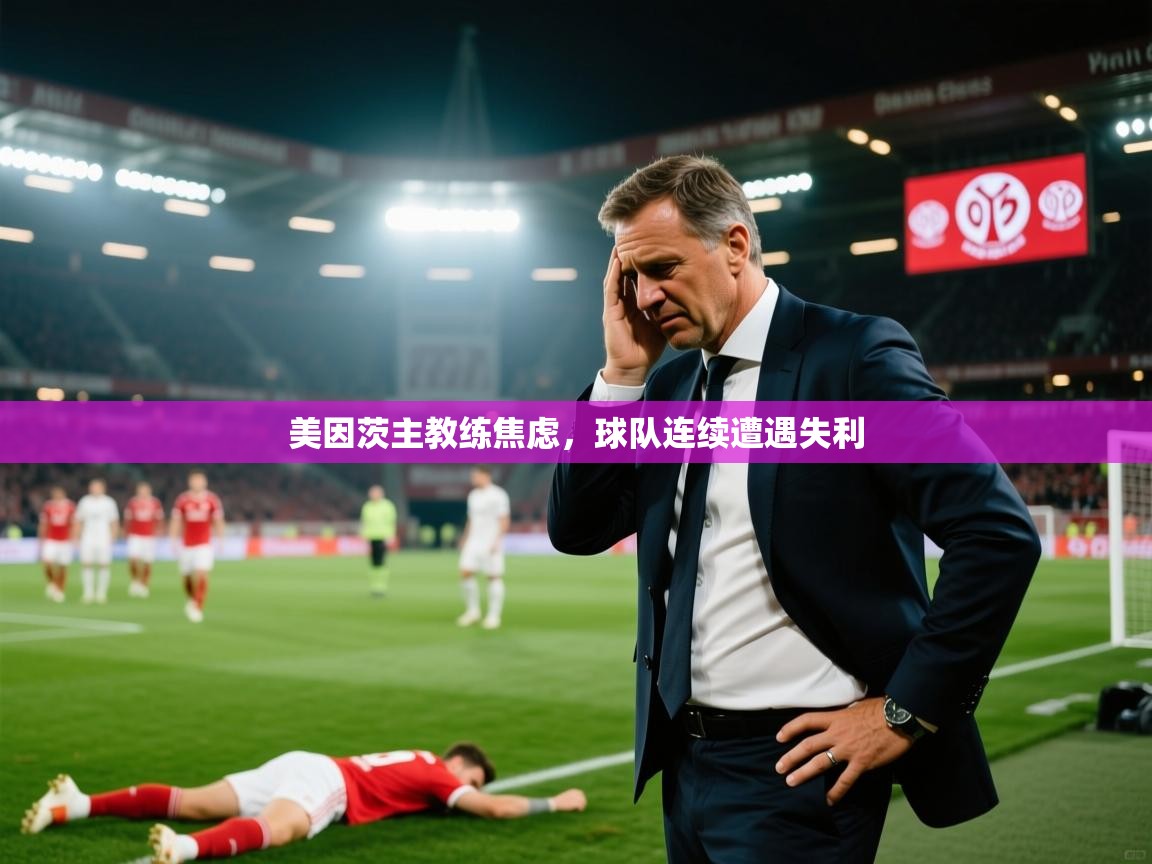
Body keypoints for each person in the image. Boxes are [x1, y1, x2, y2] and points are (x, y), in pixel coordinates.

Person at [548, 155, 1041, 863]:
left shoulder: (852, 358)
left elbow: (997, 533)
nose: (647, 297)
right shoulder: (670, 387)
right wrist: (622, 376)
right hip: (685, 765)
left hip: (797, 767)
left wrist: (904, 711)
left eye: (662, 267)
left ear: (735, 245)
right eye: (632, 278)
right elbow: (577, 528)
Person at [22, 742, 587, 863]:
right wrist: (557, 803)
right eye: (476, 779)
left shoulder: (417, 758)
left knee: (192, 800)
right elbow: (493, 809)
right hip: (329, 782)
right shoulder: (441, 776)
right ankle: (186, 850)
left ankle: (77, 803)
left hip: (301, 762)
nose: (474, 789)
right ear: (461, 764)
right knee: (284, 828)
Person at [456, 466, 510, 630]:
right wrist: (465, 538)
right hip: (474, 541)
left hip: (490, 541)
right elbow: (471, 519)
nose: (473, 479)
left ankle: (494, 616)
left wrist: (497, 540)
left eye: (476, 476)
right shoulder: (473, 495)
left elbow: (504, 519)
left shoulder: (498, 494)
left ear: (486, 476)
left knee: (493, 576)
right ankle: (473, 611)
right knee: (465, 572)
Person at [170, 471, 224, 624]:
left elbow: (218, 521)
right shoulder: (182, 500)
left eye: (200, 480)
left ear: (204, 482)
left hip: (204, 544)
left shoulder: (212, 500)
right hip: (187, 545)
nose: (197, 483)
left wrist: (221, 539)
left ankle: (198, 607)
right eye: (195, 480)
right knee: (186, 577)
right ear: (190, 482)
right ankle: (191, 599)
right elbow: (176, 521)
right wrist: (173, 539)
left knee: (202, 573)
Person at [73, 478, 120, 604]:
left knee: (104, 565)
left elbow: (114, 521)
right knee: (86, 564)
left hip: (104, 538)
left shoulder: (109, 502)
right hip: (87, 538)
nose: (95, 489)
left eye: (97, 487)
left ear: (103, 488)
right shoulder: (85, 502)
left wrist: (114, 536)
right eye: (93, 487)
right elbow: (79, 521)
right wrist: (76, 537)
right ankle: (88, 593)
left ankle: (101, 593)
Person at [124, 481, 165, 598]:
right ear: (137, 491)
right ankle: (135, 581)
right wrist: (126, 533)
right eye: (141, 490)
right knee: (133, 560)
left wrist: (160, 531)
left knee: (147, 562)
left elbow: (159, 519)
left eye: (145, 490)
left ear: (149, 491)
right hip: (135, 536)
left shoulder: (155, 503)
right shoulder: (132, 503)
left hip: (149, 536)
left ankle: (144, 585)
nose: (143, 492)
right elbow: (128, 520)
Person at [38, 485, 75, 603]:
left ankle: (60, 590)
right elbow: (43, 523)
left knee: (63, 566)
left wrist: (74, 537)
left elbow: (74, 523)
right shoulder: (48, 506)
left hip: (65, 540)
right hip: (51, 539)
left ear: (63, 494)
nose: (57, 496)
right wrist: (41, 539)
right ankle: (52, 583)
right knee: (47, 563)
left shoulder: (70, 506)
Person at [359, 485, 398, 597]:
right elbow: (364, 522)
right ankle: (374, 585)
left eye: (376, 493)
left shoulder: (387, 506)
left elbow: (392, 521)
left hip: (382, 536)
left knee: (381, 561)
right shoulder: (367, 506)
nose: (374, 495)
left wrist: (391, 536)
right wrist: (363, 536)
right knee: (373, 562)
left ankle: (381, 585)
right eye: (372, 493)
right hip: (371, 537)